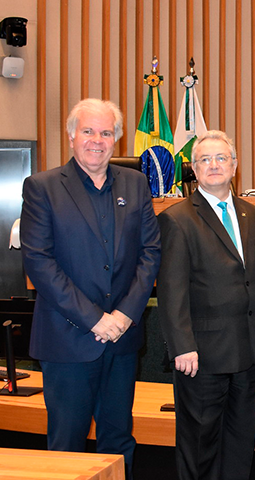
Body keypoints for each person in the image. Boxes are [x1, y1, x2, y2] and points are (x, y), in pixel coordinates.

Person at [19, 98, 161, 478]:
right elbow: (39, 262)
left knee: (118, 441)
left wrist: (125, 315)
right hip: (68, 342)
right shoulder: (42, 187)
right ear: (70, 136)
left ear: (116, 139)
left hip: (122, 340)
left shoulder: (135, 183)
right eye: (88, 131)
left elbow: (150, 253)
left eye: (106, 132)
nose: (97, 140)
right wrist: (95, 319)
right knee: (66, 446)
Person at [157, 130, 255, 480]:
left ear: (235, 165)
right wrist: (182, 347)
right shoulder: (177, 218)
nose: (213, 166)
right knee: (200, 444)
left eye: (220, 158)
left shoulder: (254, 215)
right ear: (193, 169)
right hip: (201, 356)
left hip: (251, 350)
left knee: (241, 442)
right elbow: (171, 290)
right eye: (204, 160)